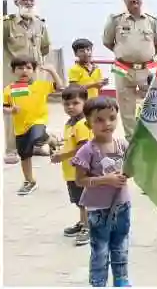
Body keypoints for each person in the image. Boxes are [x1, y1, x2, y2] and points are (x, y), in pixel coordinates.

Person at [71, 97, 131, 287]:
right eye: (99, 120)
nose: (107, 124)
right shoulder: (87, 151)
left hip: (122, 205)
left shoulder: (122, 145)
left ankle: (121, 280)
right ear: (88, 123)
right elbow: (79, 180)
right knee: (100, 249)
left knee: (121, 245)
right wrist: (106, 179)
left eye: (112, 118)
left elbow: (133, 167)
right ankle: (98, 282)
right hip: (98, 209)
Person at [102, 0, 157, 140]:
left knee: (151, 103)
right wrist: (124, 53)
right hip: (122, 68)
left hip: (146, 68)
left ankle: (150, 137)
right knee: (126, 107)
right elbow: (108, 42)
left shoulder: (152, 20)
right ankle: (131, 140)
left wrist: (144, 56)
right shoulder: (115, 20)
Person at [3, 56, 63, 195]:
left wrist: (52, 71)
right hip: (20, 128)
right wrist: (10, 110)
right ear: (13, 71)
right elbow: (3, 107)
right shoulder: (9, 89)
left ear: (34, 70)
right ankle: (29, 181)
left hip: (38, 121)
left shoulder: (40, 85)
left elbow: (60, 87)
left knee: (37, 137)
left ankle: (51, 140)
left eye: (28, 68)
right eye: (20, 68)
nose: (24, 71)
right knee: (24, 155)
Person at [3, 0, 51, 162]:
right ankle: (11, 149)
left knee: (37, 109)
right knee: (15, 109)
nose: (28, 3)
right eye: (24, 0)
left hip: (35, 75)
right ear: (17, 2)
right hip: (16, 76)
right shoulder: (8, 24)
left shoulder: (40, 24)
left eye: (31, 0)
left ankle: (37, 144)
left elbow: (45, 47)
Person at [50, 85, 92, 246]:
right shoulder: (70, 123)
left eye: (75, 103)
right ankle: (83, 223)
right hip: (71, 170)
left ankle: (89, 227)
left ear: (85, 103)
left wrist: (63, 155)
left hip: (81, 170)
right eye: (66, 104)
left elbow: (84, 147)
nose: (70, 107)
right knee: (79, 200)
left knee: (85, 200)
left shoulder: (82, 124)